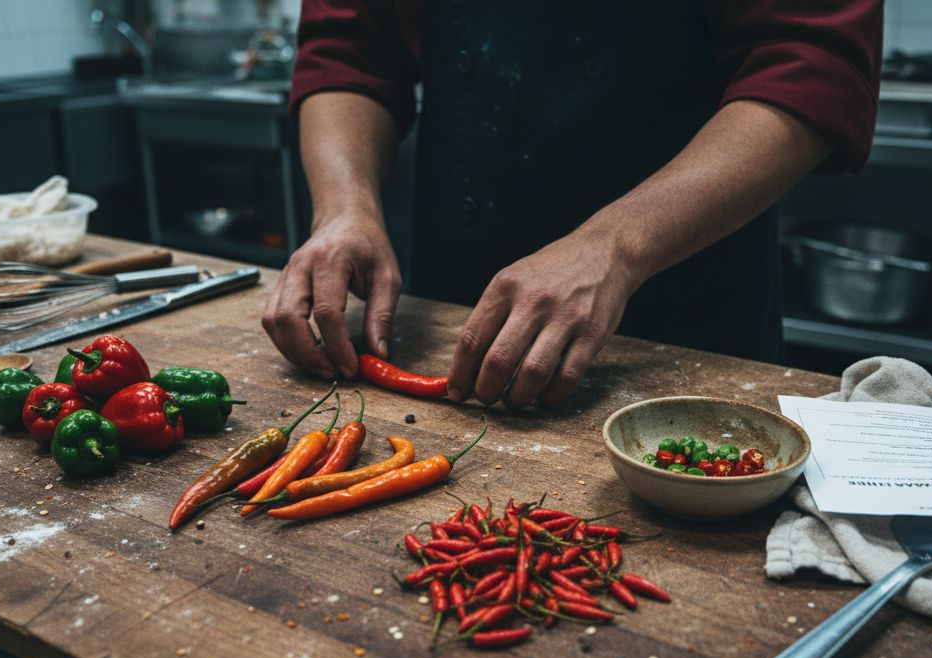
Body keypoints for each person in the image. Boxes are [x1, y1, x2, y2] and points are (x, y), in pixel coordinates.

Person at [263, 1, 881, 408]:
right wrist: (345, 207)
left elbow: (811, 63)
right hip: (455, 302)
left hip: (683, 314)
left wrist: (613, 248)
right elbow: (349, 48)